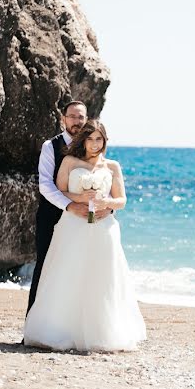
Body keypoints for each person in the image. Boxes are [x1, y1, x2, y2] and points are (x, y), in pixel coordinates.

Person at [23, 120, 147, 351]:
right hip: (73, 224)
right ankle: (60, 330)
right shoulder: (70, 161)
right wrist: (81, 199)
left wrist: (106, 202)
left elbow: (122, 200)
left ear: (104, 141)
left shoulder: (113, 167)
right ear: (83, 140)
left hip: (104, 227)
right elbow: (59, 190)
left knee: (102, 276)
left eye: (98, 139)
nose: (94, 143)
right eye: (90, 138)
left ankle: (102, 332)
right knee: (68, 272)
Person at [26, 101, 109, 315]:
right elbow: (45, 184)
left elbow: (105, 180)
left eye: (81, 117)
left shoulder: (91, 146)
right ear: (63, 119)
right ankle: (33, 325)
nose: (76, 121)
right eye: (72, 116)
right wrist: (70, 205)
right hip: (52, 215)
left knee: (80, 270)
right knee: (46, 266)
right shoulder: (50, 147)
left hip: (84, 221)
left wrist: (108, 209)